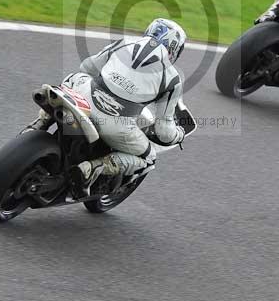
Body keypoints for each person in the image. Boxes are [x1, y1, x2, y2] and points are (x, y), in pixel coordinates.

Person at [24, 18, 188, 197]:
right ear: (175, 50)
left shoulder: (125, 42)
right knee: (148, 159)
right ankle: (92, 168)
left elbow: (87, 67)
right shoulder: (173, 79)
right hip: (116, 125)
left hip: (84, 100)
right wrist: (178, 134)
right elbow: (164, 132)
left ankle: (39, 123)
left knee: (74, 77)